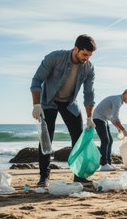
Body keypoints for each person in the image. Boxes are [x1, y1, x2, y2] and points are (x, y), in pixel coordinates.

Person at [30, 34, 97, 186]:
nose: (86, 58)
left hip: (69, 103)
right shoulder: (55, 58)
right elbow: (36, 80)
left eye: (90, 55)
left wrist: (89, 118)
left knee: (79, 136)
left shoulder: (88, 68)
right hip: (48, 102)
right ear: (76, 49)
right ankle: (44, 177)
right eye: (84, 54)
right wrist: (36, 105)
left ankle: (79, 175)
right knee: (46, 139)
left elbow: (89, 94)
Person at [93, 89, 127, 171]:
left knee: (110, 140)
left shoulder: (118, 100)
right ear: (126, 94)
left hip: (104, 119)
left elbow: (112, 118)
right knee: (105, 140)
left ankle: (108, 163)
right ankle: (103, 164)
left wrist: (119, 128)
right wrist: (124, 130)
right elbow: (116, 118)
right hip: (98, 118)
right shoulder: (117, 100)